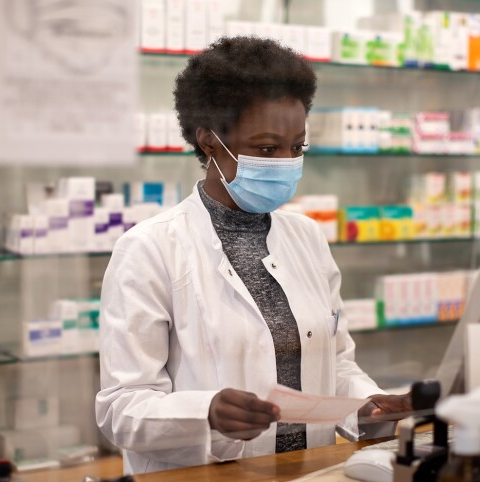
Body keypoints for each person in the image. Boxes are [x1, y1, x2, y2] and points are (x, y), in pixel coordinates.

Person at [95, 36, 412, 475]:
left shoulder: (306, 237)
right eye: (267, 149)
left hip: (311, 469)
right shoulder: (150, 249)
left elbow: (334, 361)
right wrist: (205, 413)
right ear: (209, 142)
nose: (285, 162)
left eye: (296, 148)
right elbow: (121, 407)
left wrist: (366, 406)